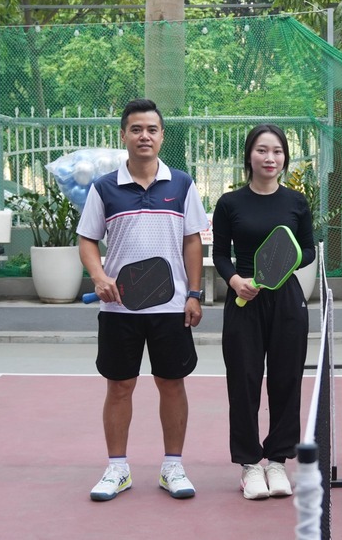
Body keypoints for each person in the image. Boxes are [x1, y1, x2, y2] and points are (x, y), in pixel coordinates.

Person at [77, 99, 207, 502]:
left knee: (172, 383)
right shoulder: (104, 188)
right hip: (119, 309)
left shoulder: (182, 184)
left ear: (162, 135)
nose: (144, 136)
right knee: (119, 386)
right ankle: (117, 468)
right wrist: (99, 276)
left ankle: (173, 466)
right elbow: (87, 239)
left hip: (171, 307)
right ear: (124, 135)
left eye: (151, 129)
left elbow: (193, 241)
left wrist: (194, 294)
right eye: (136, 129)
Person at [211, 123, 315, 500]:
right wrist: (236, 281)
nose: (270, 158)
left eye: (277, 151)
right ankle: (250, 465)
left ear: (284, 158)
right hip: (244, 299)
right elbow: (219, 254)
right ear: (249, 156)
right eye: (262, 150)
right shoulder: (230, 203)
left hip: (286, 299)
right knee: (243, 381)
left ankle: (277, 462)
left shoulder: (296, 203)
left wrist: (280, 267)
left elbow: (308, 250)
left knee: (286, 380)